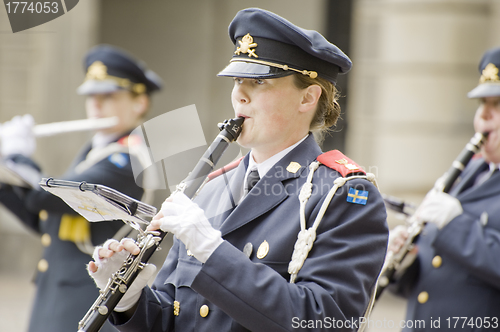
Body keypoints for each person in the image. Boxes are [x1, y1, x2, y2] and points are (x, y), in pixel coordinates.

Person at [88, 8, 388, 332]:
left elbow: (324, 322)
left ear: (308, 98)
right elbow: (173, 319)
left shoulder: (341, 194)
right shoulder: (207, 189)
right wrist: (130, 301)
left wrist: (212, 253)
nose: (240, 95)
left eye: (258, 81)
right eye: (237, 80)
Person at [0, 45, 162, 332]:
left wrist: (16, 157)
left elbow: (45, 198)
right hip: (57, 295)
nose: (96, 104)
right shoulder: (94, 151)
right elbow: (46, 220)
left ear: (139, 103)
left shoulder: (126, 160)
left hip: (89, 302)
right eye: (91, 96)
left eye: (109, 96)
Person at [387, 47, 500, 331]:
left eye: (497, 105)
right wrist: (405, 262)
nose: (484, 116)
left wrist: (455, 224)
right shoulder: (471, 172)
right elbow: (439, 272)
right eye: (481, 104)